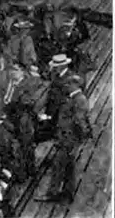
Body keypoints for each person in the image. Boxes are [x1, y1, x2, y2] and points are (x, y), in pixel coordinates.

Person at [35, 76, 92, 205]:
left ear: (76, 85)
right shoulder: (74, 98)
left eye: (69, 83)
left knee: (59, 165)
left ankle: (53, 193)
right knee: (68, 167)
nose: (67, 85)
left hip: (68, 139)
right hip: (66, 138)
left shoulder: (79, 100)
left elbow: (80, 121)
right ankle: (67, 194)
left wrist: (75, 139)